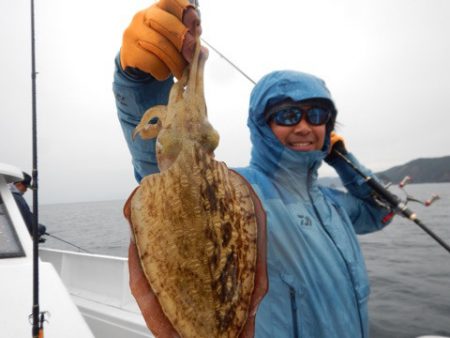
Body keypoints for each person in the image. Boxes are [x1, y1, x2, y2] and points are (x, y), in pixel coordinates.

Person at [113, 1, 393, 337]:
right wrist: (139, 80)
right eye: (288, 115)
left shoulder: (333, 204)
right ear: (262, 124)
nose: (305, 127)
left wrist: (344, 160)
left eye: (317, 115)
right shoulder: (243, 191)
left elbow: (381, 210)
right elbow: (168, 174)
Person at [10, 172, 47, 241]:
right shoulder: (17, 198)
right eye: (26, 187)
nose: (26, 190)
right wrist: (40, 229)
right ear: (19, 184)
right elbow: (30, 223)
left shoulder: (6, 196)